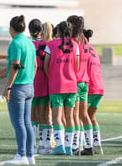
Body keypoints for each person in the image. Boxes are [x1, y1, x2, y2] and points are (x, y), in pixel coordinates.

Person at [4, 15, 37, 165]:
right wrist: (29, 79)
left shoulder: (16, 43)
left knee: (18, 123)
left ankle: (21, 155)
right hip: (30, 86)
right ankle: (30, 156)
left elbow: (15, 65)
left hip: (18, 88)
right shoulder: (30, 43)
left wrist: (8, 86)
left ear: (12, 28)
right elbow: (35, 65)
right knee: (27, 123)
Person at [43, 21, 79, 156]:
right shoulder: (75, 45)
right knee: (69, 117)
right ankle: (69, 148)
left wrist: (52, 76)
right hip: (72, 85)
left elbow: (46, 65)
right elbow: (76, 66)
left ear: (57, 31)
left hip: (56, 85)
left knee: (57, 117)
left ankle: (60, 147)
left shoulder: (50, 45)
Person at [67, 15, 94, 155]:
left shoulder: (72, 42)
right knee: (84, 115)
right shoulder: (85, 41)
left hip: (75, 82)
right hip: (85, 82)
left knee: (75, 115)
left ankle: (76, 146)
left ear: (73, 26)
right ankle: (89, 146)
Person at [28, 18, 53, 155]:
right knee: (45, 115)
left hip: (31, 81)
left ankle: (31, 145)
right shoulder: (47, 44)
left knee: (32, 116)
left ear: (29, 31)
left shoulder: (27, 44)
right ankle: (46, 144)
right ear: (41, 31)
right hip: (44, 80)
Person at [84, 29, 104, 154]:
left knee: (82, 117)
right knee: (91, 117)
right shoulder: (94, 50)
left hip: (90, 87)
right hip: (99, 87)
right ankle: (97, 145)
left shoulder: (82, 50)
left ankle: (86, 145)